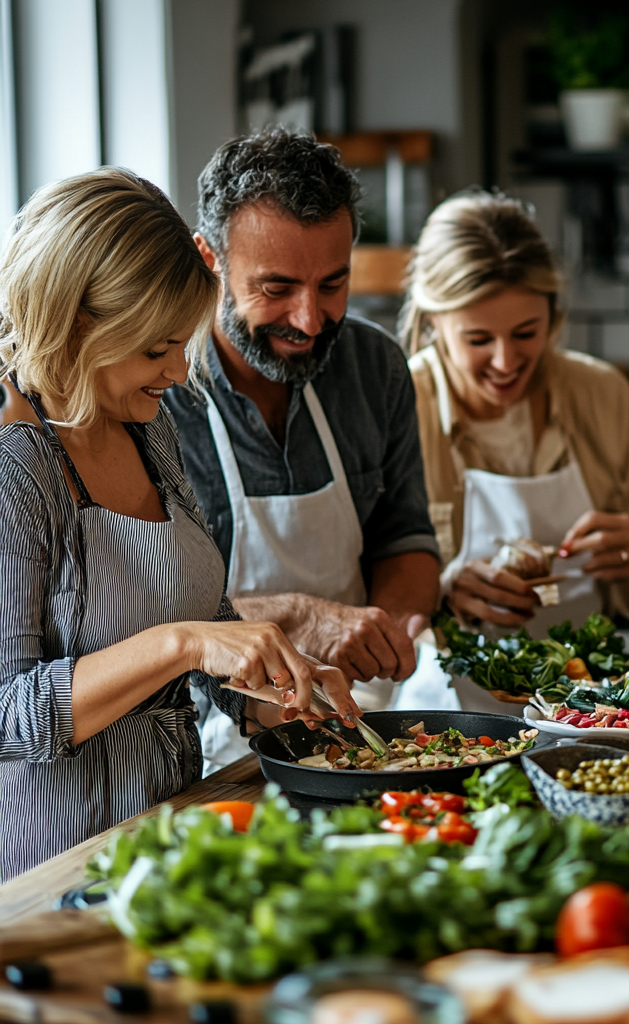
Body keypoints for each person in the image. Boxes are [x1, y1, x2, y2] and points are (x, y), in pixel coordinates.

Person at [0, 169, 357, 880]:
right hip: (55, 870)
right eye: (155, 349)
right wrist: (182, 644)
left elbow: (201, 618)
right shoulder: (17, 463)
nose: (175, 371)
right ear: (79, 324)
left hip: (164, 838)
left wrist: (274, 694)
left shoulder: (146, 427)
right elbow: (6, 716)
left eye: (181, 345)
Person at [163, 129, 440, 772]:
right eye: (277, 288)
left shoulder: (374, 367)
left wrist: (389, 631)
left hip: (366, 726)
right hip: (206, 747)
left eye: (333, 283)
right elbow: (151, 619)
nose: (310, 320)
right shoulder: (157, 393)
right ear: (210, 259)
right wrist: (302, 618)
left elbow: (404, 535)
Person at [403, 190, 629, 640]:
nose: (505, 362)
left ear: (553, 315)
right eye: (479, 340)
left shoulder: (600, 393)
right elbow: (355, 575)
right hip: (439, 702)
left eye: (526, 333)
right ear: (433, 324)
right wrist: (439, 594)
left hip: (580, 696)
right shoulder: (400, 405)